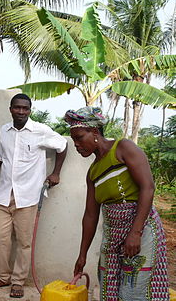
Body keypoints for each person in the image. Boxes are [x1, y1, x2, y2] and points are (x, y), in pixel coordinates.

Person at [0, 93, 67, 298]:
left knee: (24, 242)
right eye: (17, 107)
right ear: (10, 109)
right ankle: (3, 277)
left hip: (28, 197)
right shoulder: (4, 131)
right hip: (3, 195)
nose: (21, 111)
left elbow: (63, 145)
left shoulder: (40, 131)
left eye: (25, 108)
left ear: (30, 110)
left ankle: (18, 282)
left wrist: (56, 173)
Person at [64, 106, 169, 301]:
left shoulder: (123, 148)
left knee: (133, 287)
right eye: (74, 140)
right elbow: (90, 215)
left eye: (79, 137)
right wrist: (82, 255)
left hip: (140, 228)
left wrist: (135, 233)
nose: (76, 144)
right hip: (112, 235)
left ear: (95, 132)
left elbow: (148, 187)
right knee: (108, 283)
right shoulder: (93, 173)